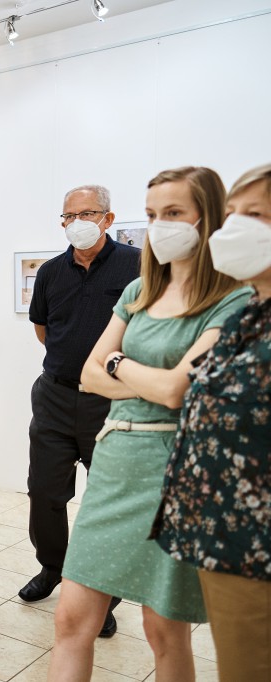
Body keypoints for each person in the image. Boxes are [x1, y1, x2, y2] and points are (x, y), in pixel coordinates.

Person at [48, 167, 252, 681]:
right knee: (71, 618)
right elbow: (90, 374)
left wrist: (119, 364)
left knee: (163, 630)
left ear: (209, 218)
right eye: (154, 214)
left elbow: (177, 390)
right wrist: (143, 378)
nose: (160, 225)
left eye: (174, 213)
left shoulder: (233, 299)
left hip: (174, 471)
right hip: (116, 462)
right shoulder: (140, 290)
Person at [152, 163, 271, 682]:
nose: (235, 227)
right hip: (224, 538)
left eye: (256, 215)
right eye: (233, 214)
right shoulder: (250, 314)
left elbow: (174, 388)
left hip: (257, 543)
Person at [23, 185, 140, 638]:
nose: (76, 223)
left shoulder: (137, 267)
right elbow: (43, 329)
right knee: (44, 492)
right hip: (54, 395)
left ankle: (102, 595)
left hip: (112, 400)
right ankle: (52, 568)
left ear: (108, 219)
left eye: (86, 214)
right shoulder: (51, 272)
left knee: (107, 503)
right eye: (68, 216)